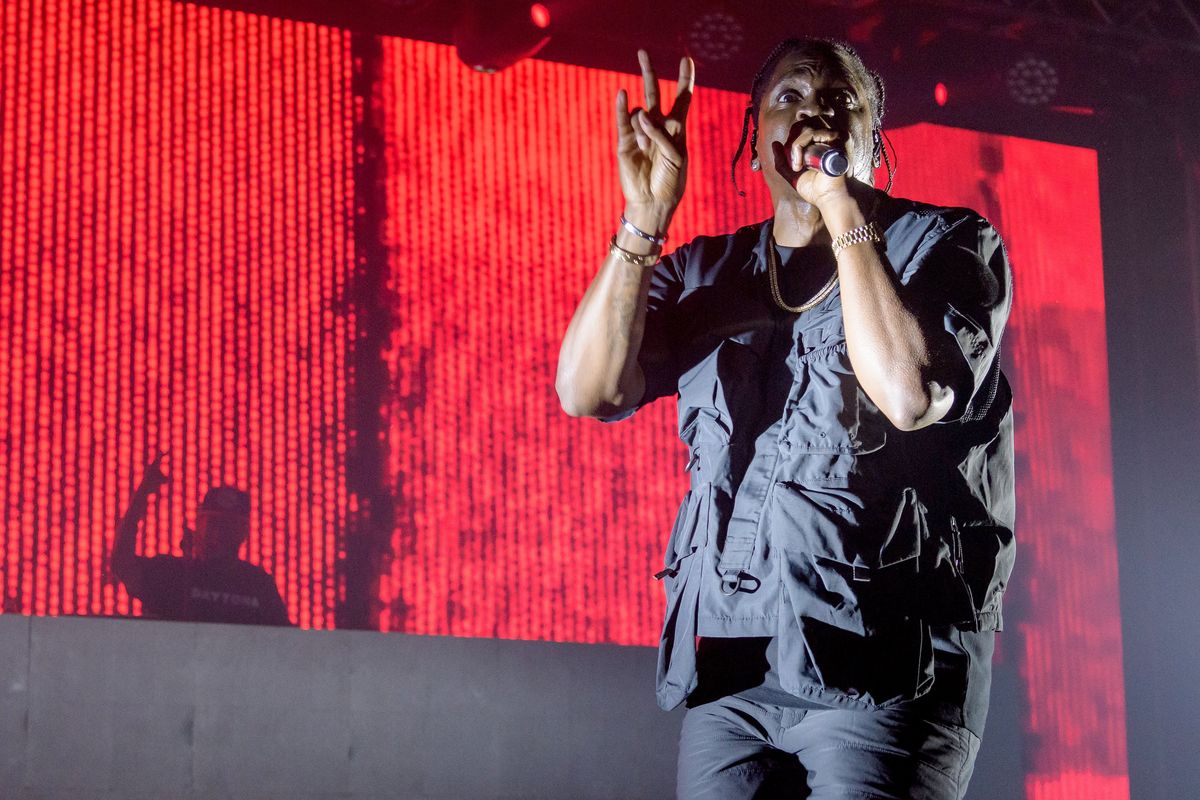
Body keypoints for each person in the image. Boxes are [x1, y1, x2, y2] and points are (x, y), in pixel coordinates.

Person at [556, 38, 1013, 799]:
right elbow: (588, 391)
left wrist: (840, 207)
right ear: (752, 140)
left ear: (875, 138)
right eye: (791, 100)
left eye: (841, 102)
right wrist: (641, 222)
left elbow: (911, 393)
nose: (816, 117)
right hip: (736, 667)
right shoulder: (709, 269)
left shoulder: (947, 245)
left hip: (891, 669)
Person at [112, 452, 292, 627]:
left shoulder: (257, 583)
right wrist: (142, 494)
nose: (220, 533)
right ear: (197, 525)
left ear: (243, 533)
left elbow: (286, 639)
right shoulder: (173, 573)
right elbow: (123, 563)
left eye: (229, 526)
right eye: (213, 523)